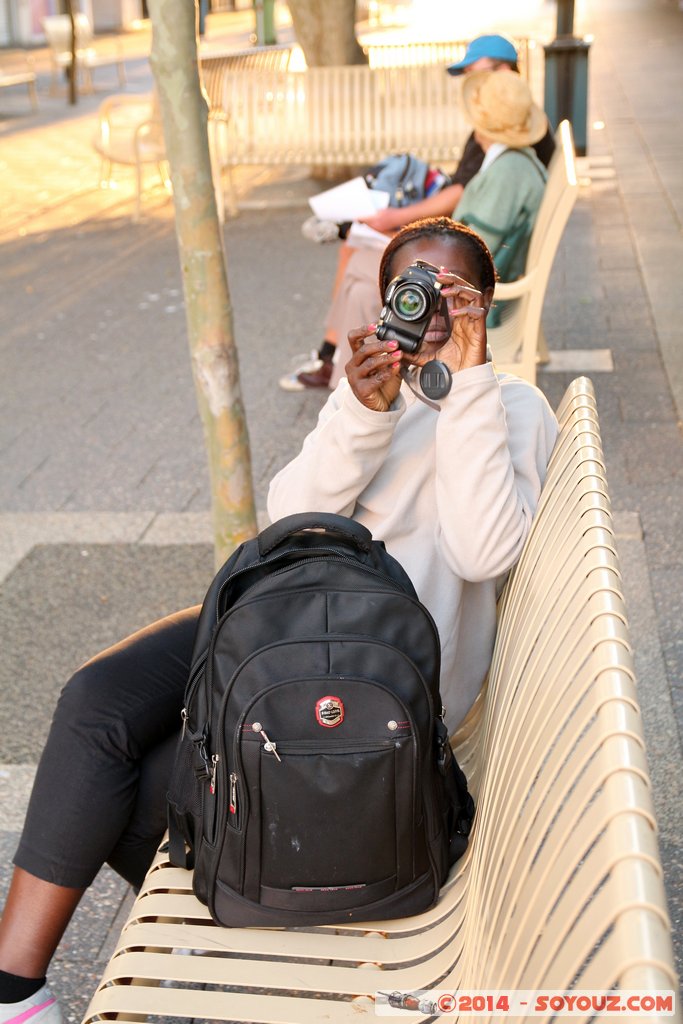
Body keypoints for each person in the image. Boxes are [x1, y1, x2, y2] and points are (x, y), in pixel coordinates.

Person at [0, 218, 558, 1024]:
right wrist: (364, 416)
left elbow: (481, 553)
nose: (427, 301)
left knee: (151, 783)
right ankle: (16, 991)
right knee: (97, 700)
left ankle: (204, 942)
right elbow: (288, 520)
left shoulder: (510, 405)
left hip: (381, 668)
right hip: (284, 626)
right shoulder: (374, 385)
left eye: (450, 289)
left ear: (482, 302)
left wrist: (465, 382)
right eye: (410, 285)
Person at [280, 33, 555, 392]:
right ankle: (345, 375)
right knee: (363, 278)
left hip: (469, 297)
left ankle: (346, 386)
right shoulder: (510, 162)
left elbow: (475, 258)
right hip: (465, 277)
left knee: (362, 271)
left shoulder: (507, 174)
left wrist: (415, 242)